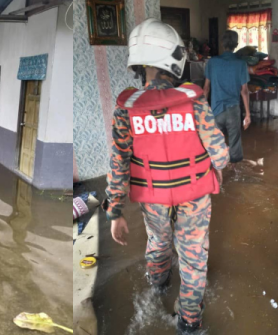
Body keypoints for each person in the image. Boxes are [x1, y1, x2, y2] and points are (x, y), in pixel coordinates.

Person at [103, 18, 230, 333]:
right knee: (193, 257)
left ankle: (158, 284)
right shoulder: (194, 101)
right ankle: (189, 321)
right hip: (195, 195)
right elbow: (221, 154)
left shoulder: (126, 109)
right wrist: (218, 169)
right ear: (175, 60)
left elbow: (118, 163)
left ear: (139, 64)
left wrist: (114, 211)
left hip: (154, 198)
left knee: (158, 241)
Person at [203, 30, 251, 170]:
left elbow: (206, 89)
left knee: (216, 142)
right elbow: (244, 91)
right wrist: (247, 114)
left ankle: (217, 171)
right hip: (233, 110)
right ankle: (234, 170)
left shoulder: (212, 62)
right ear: (236, 44)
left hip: (216, 110)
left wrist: (204, 110)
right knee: (235, 141)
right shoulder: (241, 64)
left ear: (222, 44)